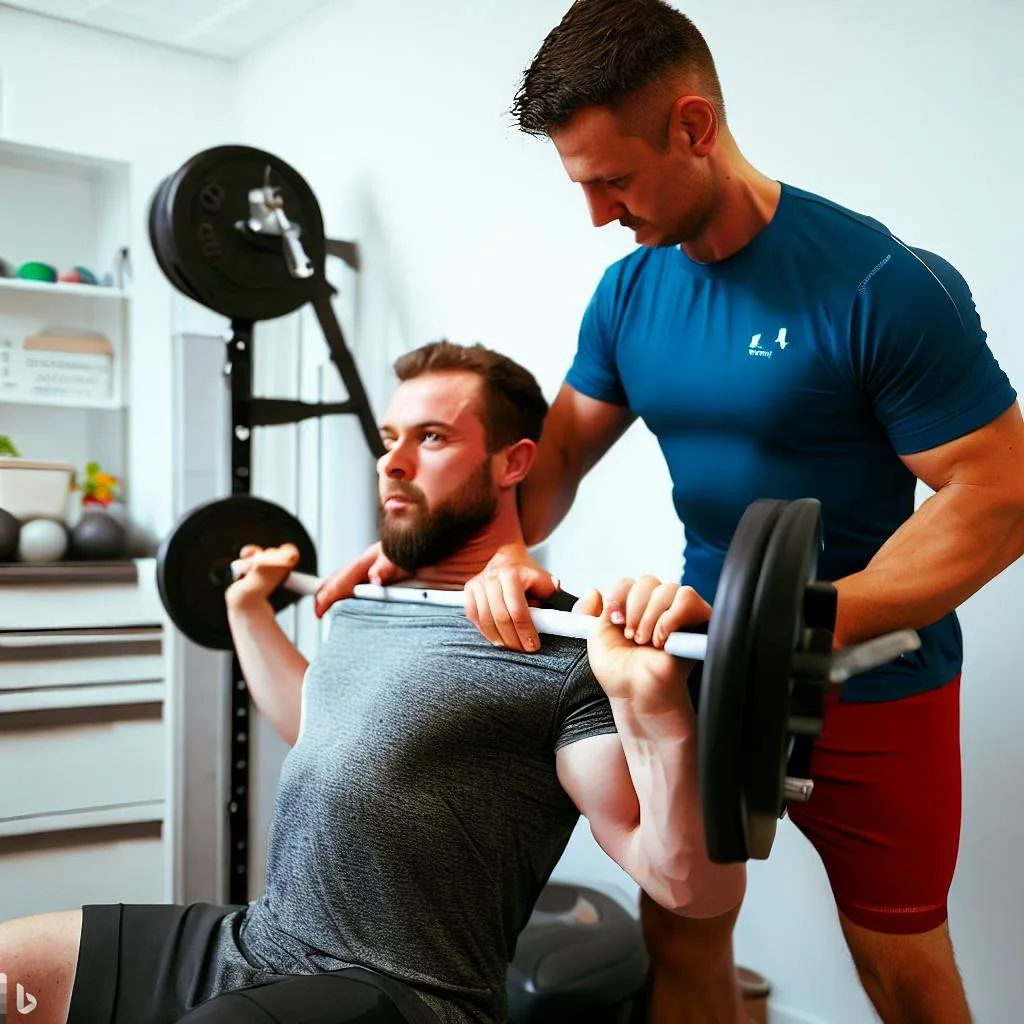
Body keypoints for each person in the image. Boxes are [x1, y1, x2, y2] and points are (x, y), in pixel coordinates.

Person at [313, 3, 1024, 1023]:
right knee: (681, 932)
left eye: (613, 179)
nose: (598, 211)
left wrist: (786, 626)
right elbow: (546, 460)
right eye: (579, 182)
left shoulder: (878, 283)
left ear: (693, 127)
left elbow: (996, 497)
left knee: (899, 966)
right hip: (702, 665)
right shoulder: (628, 296)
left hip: (877, 686)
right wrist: (463, 560)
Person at [0, 340, 744, 1024]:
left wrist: (656, 708)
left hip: (401, 993)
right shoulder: (375, 599)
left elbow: (688, 887)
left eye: (432, 437)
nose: (393, 460)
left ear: (512, 463)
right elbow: (321, 726)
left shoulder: (565, 646)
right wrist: (247, 608)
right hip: (257, 943)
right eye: (391, 439)